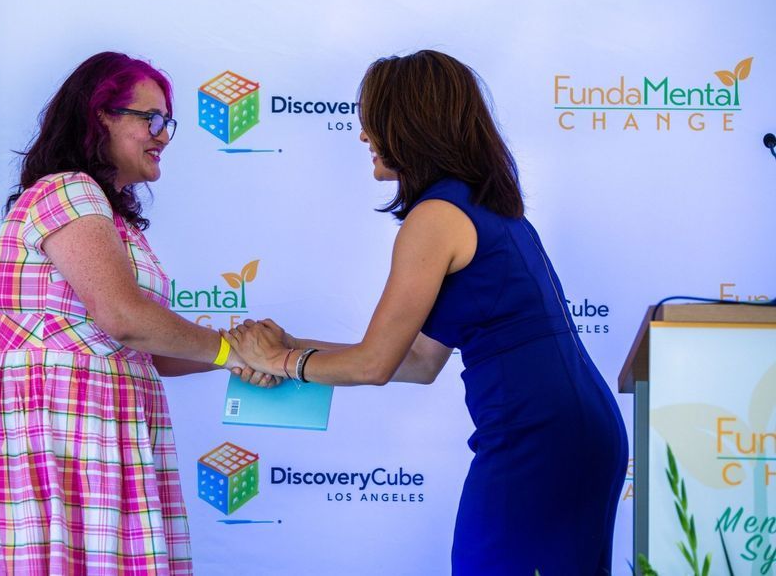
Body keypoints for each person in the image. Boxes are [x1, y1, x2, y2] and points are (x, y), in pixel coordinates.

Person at [226, 50, 629, 575]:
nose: (363, 135)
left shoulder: (436, 217)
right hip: (575, 431)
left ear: (410, 124)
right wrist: (288, 349)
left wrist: (279, 361)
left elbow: (374, 365)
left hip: (537, 438)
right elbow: (416, 360)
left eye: (373, 120)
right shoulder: (479, 206)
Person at [0, 52, 274, 575]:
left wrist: (244, 353)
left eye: (168, 122)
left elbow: (148, 350)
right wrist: (234, 352)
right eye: (152, 118)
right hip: (53, 436)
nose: (163, 136)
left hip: (99, 430)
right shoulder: (67, 190)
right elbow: (123, 317)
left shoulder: (114, 219)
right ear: (101, 115)